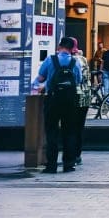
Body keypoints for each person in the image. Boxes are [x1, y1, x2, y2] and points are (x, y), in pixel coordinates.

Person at [33, 36, 84, 173]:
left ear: (59, 46)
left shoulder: (50, 60)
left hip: (53, 100)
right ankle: (68, 164)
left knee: (51, 131)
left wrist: (36, 86)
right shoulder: (75, 62)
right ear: (71, 48)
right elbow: (78, 80)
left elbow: (41, 78)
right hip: (70, 101)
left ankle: (51, 165)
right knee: (70, 132)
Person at [70, 43, 93, 166]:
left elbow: (77, 78)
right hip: (85, 96)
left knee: (70, 126)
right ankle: (78, 154)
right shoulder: (83, 59)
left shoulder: (72, 60)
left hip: (75, 96)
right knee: (79, 127)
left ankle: (70, 155)